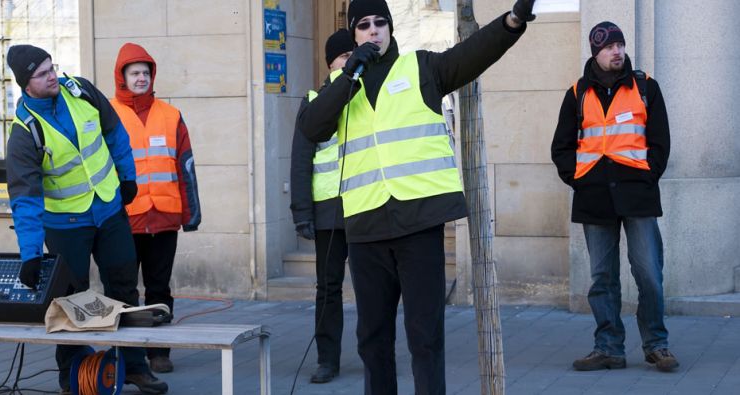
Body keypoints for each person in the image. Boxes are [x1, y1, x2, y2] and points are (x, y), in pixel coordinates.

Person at [298, 1, 536, 393]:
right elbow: (311, 126)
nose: (373, 31)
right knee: (372, 340)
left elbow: (471, 55)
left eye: (380, 23)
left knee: (424, 337)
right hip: (365, 227)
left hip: (418, 223)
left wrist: (512, 21)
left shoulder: (420, 68)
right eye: (363, 26)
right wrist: (347, 76)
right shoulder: (343, 87)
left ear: (391, 29)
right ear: (354, 35)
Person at [5, 44, 168, 394]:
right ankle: (73, 377)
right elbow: (25, 199)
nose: (53, 76)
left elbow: (114, 134)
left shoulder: (80, 89)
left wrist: (127, 178)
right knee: (69, 300)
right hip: (65, 224)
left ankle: (134, 366)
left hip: (108, 208)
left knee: (124, 288)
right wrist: (30, 254)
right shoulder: (24, 132)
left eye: (52, 67)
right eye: (43, 73)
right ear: (26, 83)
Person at [550, 22, 678, 372]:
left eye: (620, 45)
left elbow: (660, 141)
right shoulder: (577, 93)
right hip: (594, 197)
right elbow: (561, 147)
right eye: (609, 47)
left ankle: (657, 345)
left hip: (637, 195)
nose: (617, 51)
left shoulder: (645, 87)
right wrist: (578, 179)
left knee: (649, 273)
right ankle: (608, 348)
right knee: (602, 278)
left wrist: (648, 175)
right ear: (596, 52)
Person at [110, 42, 202, 374]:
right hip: (124, 220)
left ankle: (159, 352)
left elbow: (185, 166)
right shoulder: (108, 114)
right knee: (123, 289)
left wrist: (191, 214)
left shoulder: (170, 115)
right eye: (134, 73)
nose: (140, 79)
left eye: (145, 73)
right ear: (122, 77)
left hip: (163, 217)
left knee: (159, 287)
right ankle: (129, 353)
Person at [290, 28, 352, 384]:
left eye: (351, 55)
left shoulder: (366, 94)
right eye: (343, 57)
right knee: (328, 289)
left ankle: (374, 351)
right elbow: (301, 159)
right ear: (331, 63)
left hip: (366, 207)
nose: (349, 61)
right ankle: (327, 359)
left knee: (377, 289)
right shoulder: (314, 99)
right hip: (328, 212)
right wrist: (302, 212)